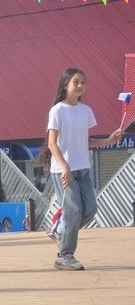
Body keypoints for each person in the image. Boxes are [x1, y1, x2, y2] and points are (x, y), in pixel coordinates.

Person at [38, 68, 121, 270]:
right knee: (73, 211)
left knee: (90, 210)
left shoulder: (86, 111)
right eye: (76, 82)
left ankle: (62, 230)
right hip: (63, 170)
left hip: (83, 169)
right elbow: (52, 143)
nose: (80, 85)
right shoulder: (57, 110)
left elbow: (86, 141)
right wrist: (65, 166)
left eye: (83, 82)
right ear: (65, 84)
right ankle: (64, 256)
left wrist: (109, 140)